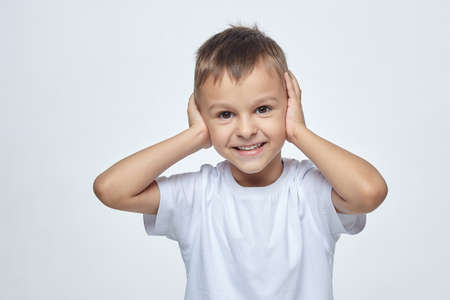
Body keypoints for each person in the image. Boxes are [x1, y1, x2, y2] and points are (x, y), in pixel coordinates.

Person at [93, 23, 388, 300]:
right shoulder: (199, 195)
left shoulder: (308, 192)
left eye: (262, 109)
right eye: (225, 114)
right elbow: (111, 189)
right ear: (202, 114)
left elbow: (369, 192)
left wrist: (298, 132)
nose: (246, 130)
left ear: (289, 104)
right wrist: (195, 136)